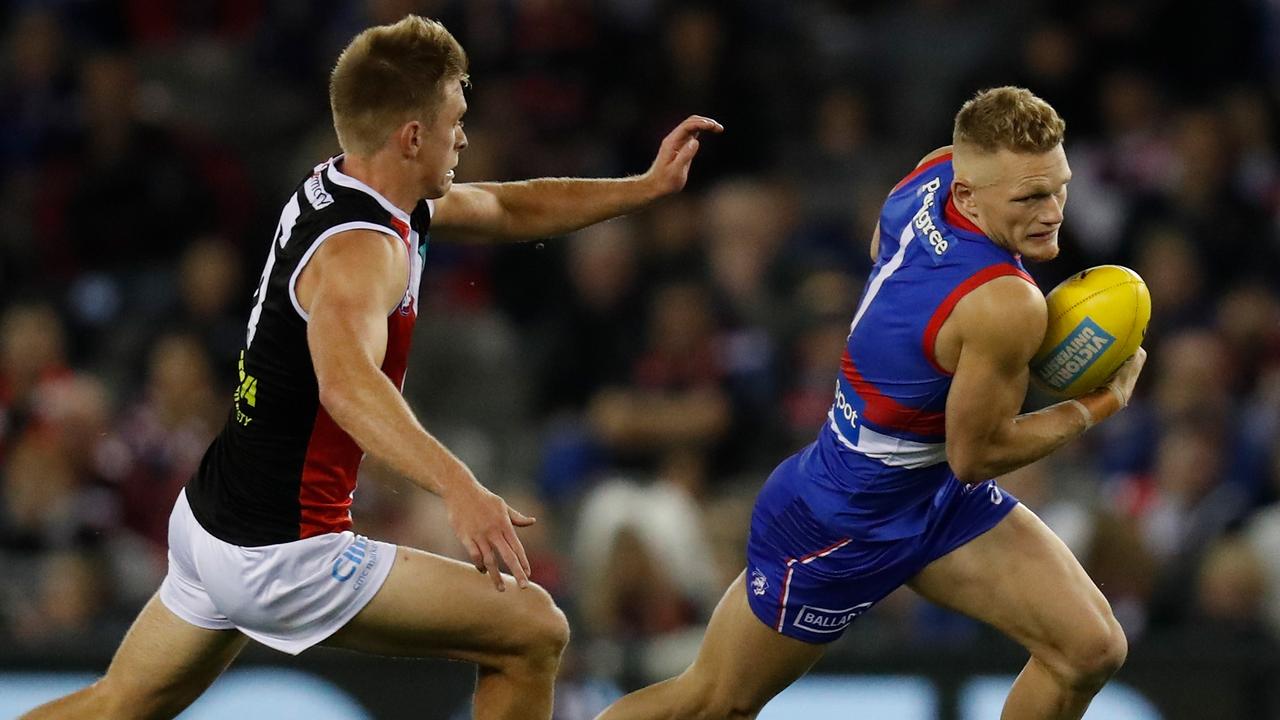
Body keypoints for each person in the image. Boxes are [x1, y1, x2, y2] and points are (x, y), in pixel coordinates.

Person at [23, 15, 720, 720]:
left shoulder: (354, 186)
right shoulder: (362, 253)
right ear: (412, 135)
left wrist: (642, 187)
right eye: (456, 119)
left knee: (114, 708)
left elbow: (507, 205)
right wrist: (459, 487)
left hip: (214, 519)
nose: (466, 136)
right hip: (282, 552)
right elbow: (346, 384)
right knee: (532, 631)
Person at [596, 86, 1147, 720]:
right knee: (713, 702)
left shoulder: (932, 175)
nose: (1053, 211)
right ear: (968, 195)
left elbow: (883, 258)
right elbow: (978, 456)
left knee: (1091, 648)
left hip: (930, 496)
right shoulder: (1006, 303)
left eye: (1058, 186)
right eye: (1029, 197)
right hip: (843, 521)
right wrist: (1100, 404)